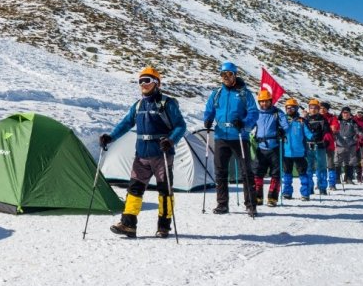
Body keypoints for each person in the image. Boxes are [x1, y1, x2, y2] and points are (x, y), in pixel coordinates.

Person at [100, 66, 186, 238]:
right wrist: (111, 137)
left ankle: (163, 227)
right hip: (141, 155)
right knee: (134, 189)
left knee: (165, 191)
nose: (143, 84)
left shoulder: (167, 103)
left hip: (162, 154)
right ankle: (128, 225)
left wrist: (171, 140)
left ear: (156, 83)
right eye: (140, 81)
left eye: (147, 80)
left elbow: (180, 126)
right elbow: (126, 124)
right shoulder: (138, 105)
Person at [203, 62, 259, 216]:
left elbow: (254, 113)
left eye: (229, 74)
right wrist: (207, 120)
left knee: (246, 171)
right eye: (223, 74)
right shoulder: (217, 93)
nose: (225, 77)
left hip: (239, 136)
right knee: (220, 171)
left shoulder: (244, 93)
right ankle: (222, 205)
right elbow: (209, 110)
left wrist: (245, 123)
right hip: (221, 135)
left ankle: (251, 205)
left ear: (235, 75)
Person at [251, 89, 289, 206]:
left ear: (270, 101)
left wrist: (282, 131)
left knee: (275, 173)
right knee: (257, 173)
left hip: (275, 147)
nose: (264, 104)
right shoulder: (256, 113)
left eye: (266, 101)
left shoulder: (277, 113)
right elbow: (249, 125)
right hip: (261, 147)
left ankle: (272, 199)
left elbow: (286, 126)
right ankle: (258, 198)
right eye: (261, 101)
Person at [281, 98, 312, 200]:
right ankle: (287, 192)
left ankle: (305, 193)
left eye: (292, 108)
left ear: (296, 108)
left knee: (303, 173)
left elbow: (308, 134)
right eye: (287, 108)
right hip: (286, 152)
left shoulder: (301, 121)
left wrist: (315, 137)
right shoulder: (282, 120)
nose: (289, 109)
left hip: (300, 152)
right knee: (287, 174)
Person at [304, 99, 329, 195]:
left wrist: (326, 139)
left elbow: (326, 131)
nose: (313, 110)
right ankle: (310, 187)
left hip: (319, 146)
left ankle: (322, 187)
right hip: (308, 146)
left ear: (318, 109)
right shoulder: (306, 119)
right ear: (309, 109)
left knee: (321, 167)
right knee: (309, 167)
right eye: (311, 108)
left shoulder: (322, 119)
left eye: (315, 108)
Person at [332, 107, 361, 185]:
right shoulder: (338, 121)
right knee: (337, 162)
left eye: (347, 112)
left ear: (349, 114)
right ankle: (337, 178)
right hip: (339, 144)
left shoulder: (353, 122)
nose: (345, 114)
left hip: (351, 145)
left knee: (350, 162)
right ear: (341, 113)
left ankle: (349, 178)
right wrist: (334, 133)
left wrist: (358, 134)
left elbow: (357, 130)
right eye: (344, 112)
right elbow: (333, 129)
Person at [320, 102, 339, 189]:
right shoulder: (316, 117)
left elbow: (336, 126)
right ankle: (321, 183)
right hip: (319, 143)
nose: (322, 110)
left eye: (324, 108)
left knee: (331, 164)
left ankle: (332, 183)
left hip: (329, 144)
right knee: (321, 165)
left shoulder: (332, 117)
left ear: (327, 109)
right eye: (321, 108)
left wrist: (334, 128)